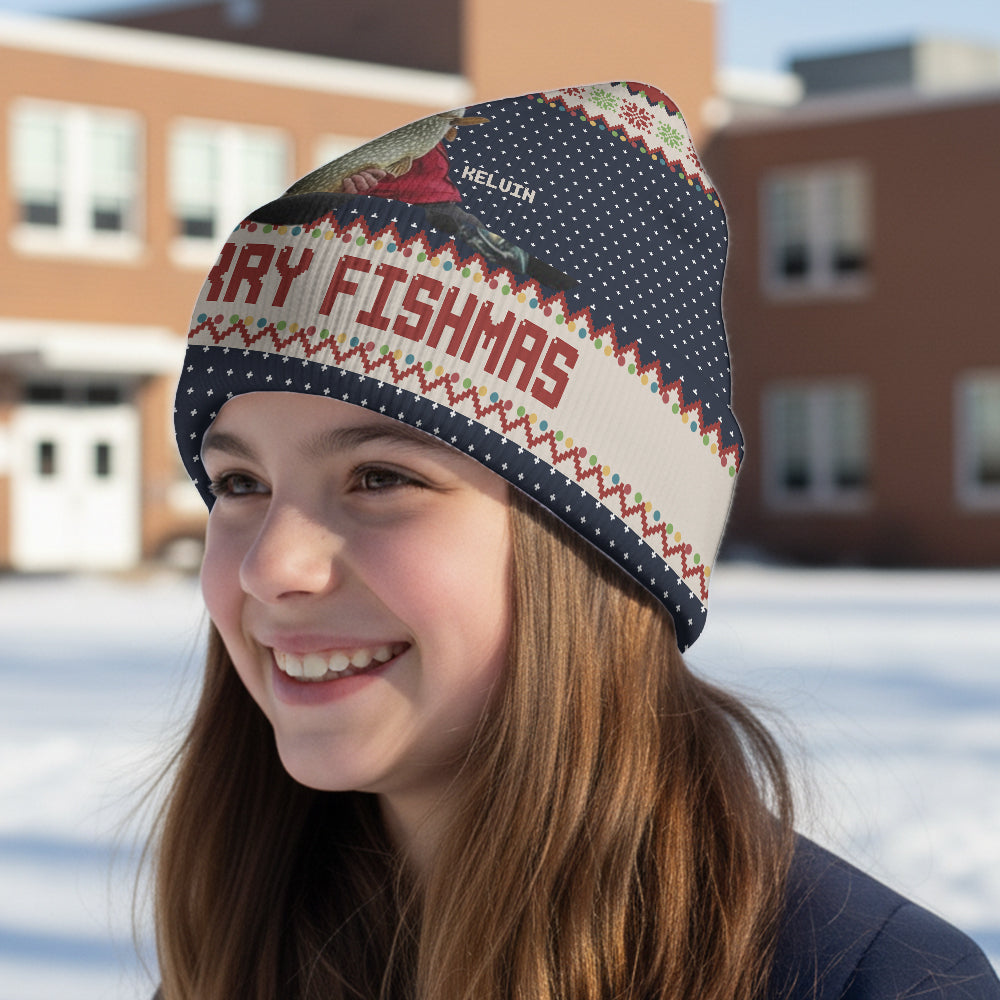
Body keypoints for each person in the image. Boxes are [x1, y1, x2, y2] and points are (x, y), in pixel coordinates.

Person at [156, 82, 1000, 999]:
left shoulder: (878, 984)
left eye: (381, 478)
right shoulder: (240, 951)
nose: (271, 566)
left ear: (599, 545)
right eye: (239, 483)